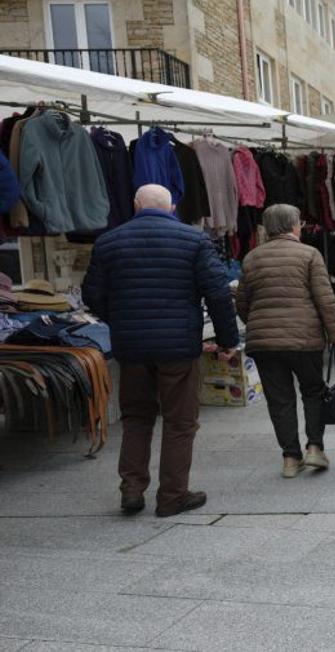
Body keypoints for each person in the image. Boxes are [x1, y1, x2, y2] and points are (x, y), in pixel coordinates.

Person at [83, 184, 239, 517]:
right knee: (180, 421)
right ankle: (172, 496)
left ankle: (131, 491)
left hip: (132, 347)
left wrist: (122, 320)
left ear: (135, 205)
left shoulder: (108, 242)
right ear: (171, 208)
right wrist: (228, 340)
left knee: (137, 419)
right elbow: (218, 294)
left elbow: (92, 296)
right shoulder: (194, 240)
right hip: (178, 345)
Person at [236, 204, 335, 478]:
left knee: (279, 399)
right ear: (293, 225)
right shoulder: (309, 254)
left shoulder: (252, 257)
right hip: (304, 339)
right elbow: (325, 299)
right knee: (312, 391)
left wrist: (259, 324)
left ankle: (289, 457)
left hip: (264, 343)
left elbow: (242, 303)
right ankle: (314, 447)